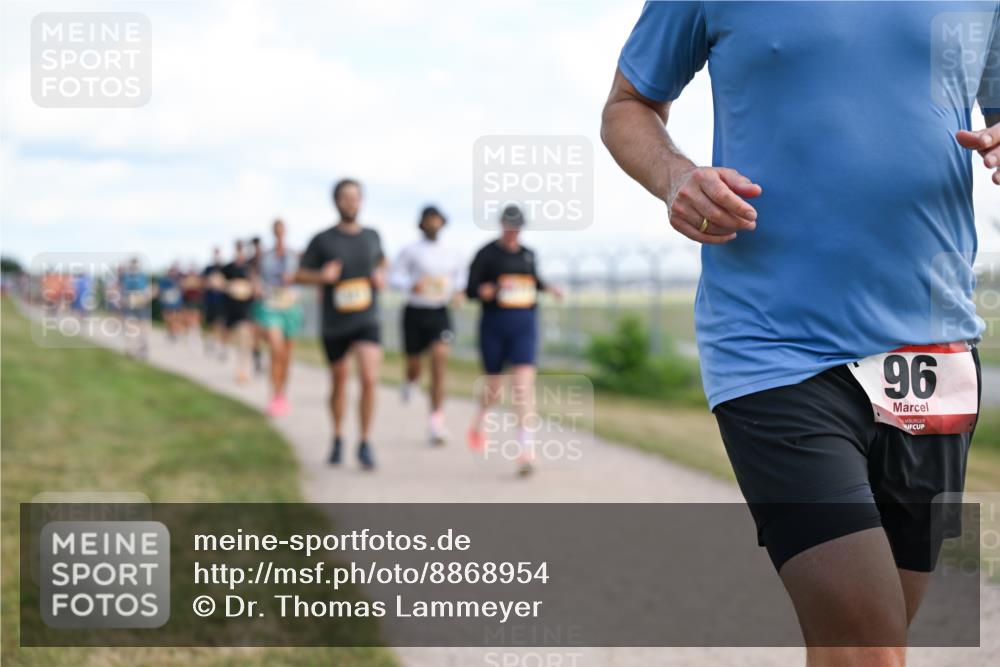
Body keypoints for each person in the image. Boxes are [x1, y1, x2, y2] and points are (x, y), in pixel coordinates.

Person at [602, 3, 999, 663]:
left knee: (868, 640)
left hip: (933, 348)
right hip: (772, 343)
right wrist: (676, 178)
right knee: (866, 644)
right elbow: (628, 105)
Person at [296, 178, 387, 470]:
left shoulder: (372, 236)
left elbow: (382, 262)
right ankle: (337, 436)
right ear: (336, 201)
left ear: (362, 201)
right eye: (345, 197)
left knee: (370, 377)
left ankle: (365, 442)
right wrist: (321, 277)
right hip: (335, 323)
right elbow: (299, 274)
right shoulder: (322, 239)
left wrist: (380, 275)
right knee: (339, 382)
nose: (351, 202)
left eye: (355, 197)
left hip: (367, 318)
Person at [466, 204, 562, 477]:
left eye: (517, 228)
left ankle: (526, 452)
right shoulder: (486, 254)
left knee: (522, 388)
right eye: (509, 227)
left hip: (524, 327)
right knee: (494, 389)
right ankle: (480, 420)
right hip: (494, 328)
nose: (513, 232)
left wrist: (550, 288)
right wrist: (484, 291)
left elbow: (534, 281)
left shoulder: (528, 255)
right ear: (501, 225)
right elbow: (471, 289)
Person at [389, 205, 466, 445]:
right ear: (422, 223)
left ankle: (436, 423)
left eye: (437, 220)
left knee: (439, 361)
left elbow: (460, 278)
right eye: (429, 220)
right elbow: (394, 276)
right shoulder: (410, 250)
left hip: (439, 312)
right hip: (415, 311)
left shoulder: (453, 251)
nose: (433, 224)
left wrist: (458, 293)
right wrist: (410, 284)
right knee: (414, 363)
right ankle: (411, 381)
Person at [254, 219, 304, 417]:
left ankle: (282, 394)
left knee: (286, 355)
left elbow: (301, 278)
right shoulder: (265, 257)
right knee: (276, 349)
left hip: (291, 307)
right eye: (276, 231)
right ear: (273, 232)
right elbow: (256, 277)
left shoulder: (294, 255)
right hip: (271, 305)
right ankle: (273, 394)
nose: (279, 234)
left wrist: (295, 286)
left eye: (282, 230)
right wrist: (257, 287)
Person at [222, 240, 255, 383]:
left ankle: (243, 371)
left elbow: (255, 284)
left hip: (245, 308)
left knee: (244, 339)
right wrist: (229, 286)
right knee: (233, 338)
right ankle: (239, 367)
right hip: (231, 307)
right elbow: (217, 281)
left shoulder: (249, 267)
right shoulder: (228, 268)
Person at [119, 257, 150, 358]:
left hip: (140, 304)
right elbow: (122, 290)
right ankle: (131, 348)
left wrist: (144, 298)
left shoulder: (142, 276)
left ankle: (142, 345)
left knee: (142, 326)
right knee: (130, 327)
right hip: (129, 304)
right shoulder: (126, 276)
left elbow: (146, 291)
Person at [202, 248, 227, 358]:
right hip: (210, 300)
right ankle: (211, 340)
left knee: (221, 324)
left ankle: (222, 346)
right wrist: (209, 283)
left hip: (222, 302)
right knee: (211, 323)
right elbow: (203, 282)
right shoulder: (208, 268)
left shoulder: (224, 268)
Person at [157, 263, 184, 340]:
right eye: (172, 271)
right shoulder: (164, 280)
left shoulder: (179, 280)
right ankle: (170, 332)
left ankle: (175, 333)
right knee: (168, 319)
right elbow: (160, 291)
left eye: (175, 271)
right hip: (166, 303)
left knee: (175, 319)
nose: (173, 273)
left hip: (177, 303)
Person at [180, 263, 204, 340]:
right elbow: (183, 288)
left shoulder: (199, 278)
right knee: (187, 316)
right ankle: (188, 333)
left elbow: (201, 287)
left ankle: (196, 333)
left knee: (196, 316)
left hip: (196, 300)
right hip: (188, 300)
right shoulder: (186, 278)